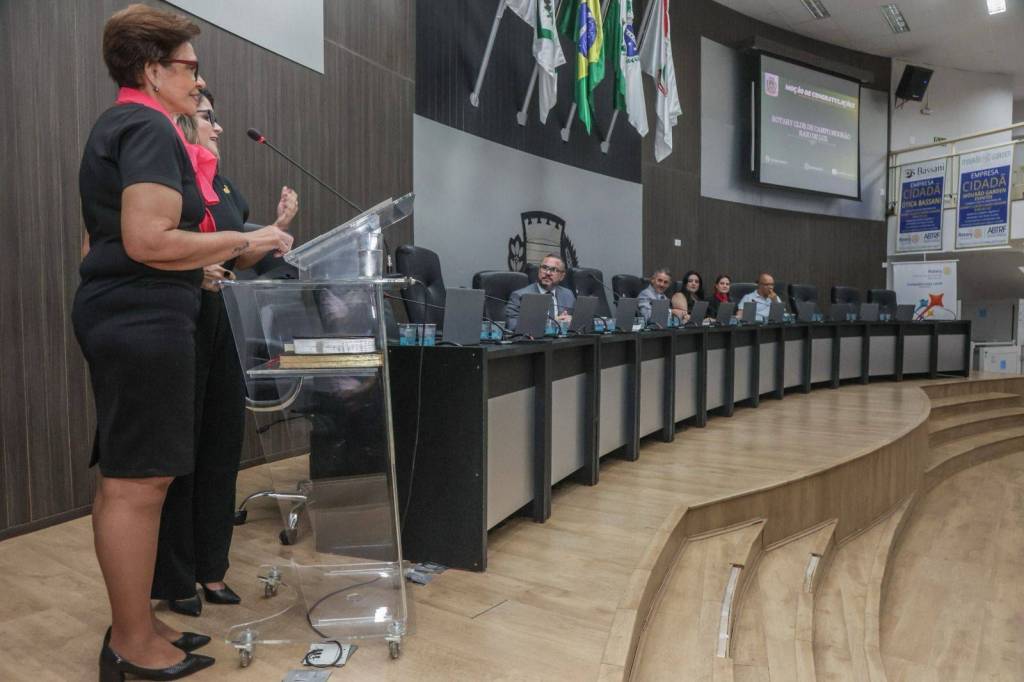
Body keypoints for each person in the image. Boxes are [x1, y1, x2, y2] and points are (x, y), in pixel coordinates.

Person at [73, 6, 291, 679]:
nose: (199, 82)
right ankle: (129, 645)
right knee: (137, 486)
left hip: (132, 313)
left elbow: (107, 241)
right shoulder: (147, 126)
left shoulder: (127, 124)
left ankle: (138, 624)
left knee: (131, 480)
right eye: (189, 68)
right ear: (150, 69)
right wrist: (245, 238)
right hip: (143, 319)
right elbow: (148, 240)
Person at [154, 89, 299, 618]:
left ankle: (212, 568)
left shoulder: (223, 185)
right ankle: (175, 579)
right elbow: (154, 246)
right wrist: (196, 269)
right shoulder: (168, 180)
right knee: (182, 452)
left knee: (220, 447)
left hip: (224, 319)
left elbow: (241, 257)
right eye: (207, 117)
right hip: (180, 319)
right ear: (181, 123)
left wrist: (278, 229)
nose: (217, 127)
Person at [505, 254, 575, 331]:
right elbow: (513, 326)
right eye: (544, 268)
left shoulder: (568, 294)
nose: (548, 273)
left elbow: (576, 323)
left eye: (553, 269)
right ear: (539, 270)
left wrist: (572, 321)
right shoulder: (520, 296)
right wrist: (552, 323)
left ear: (562, 276)